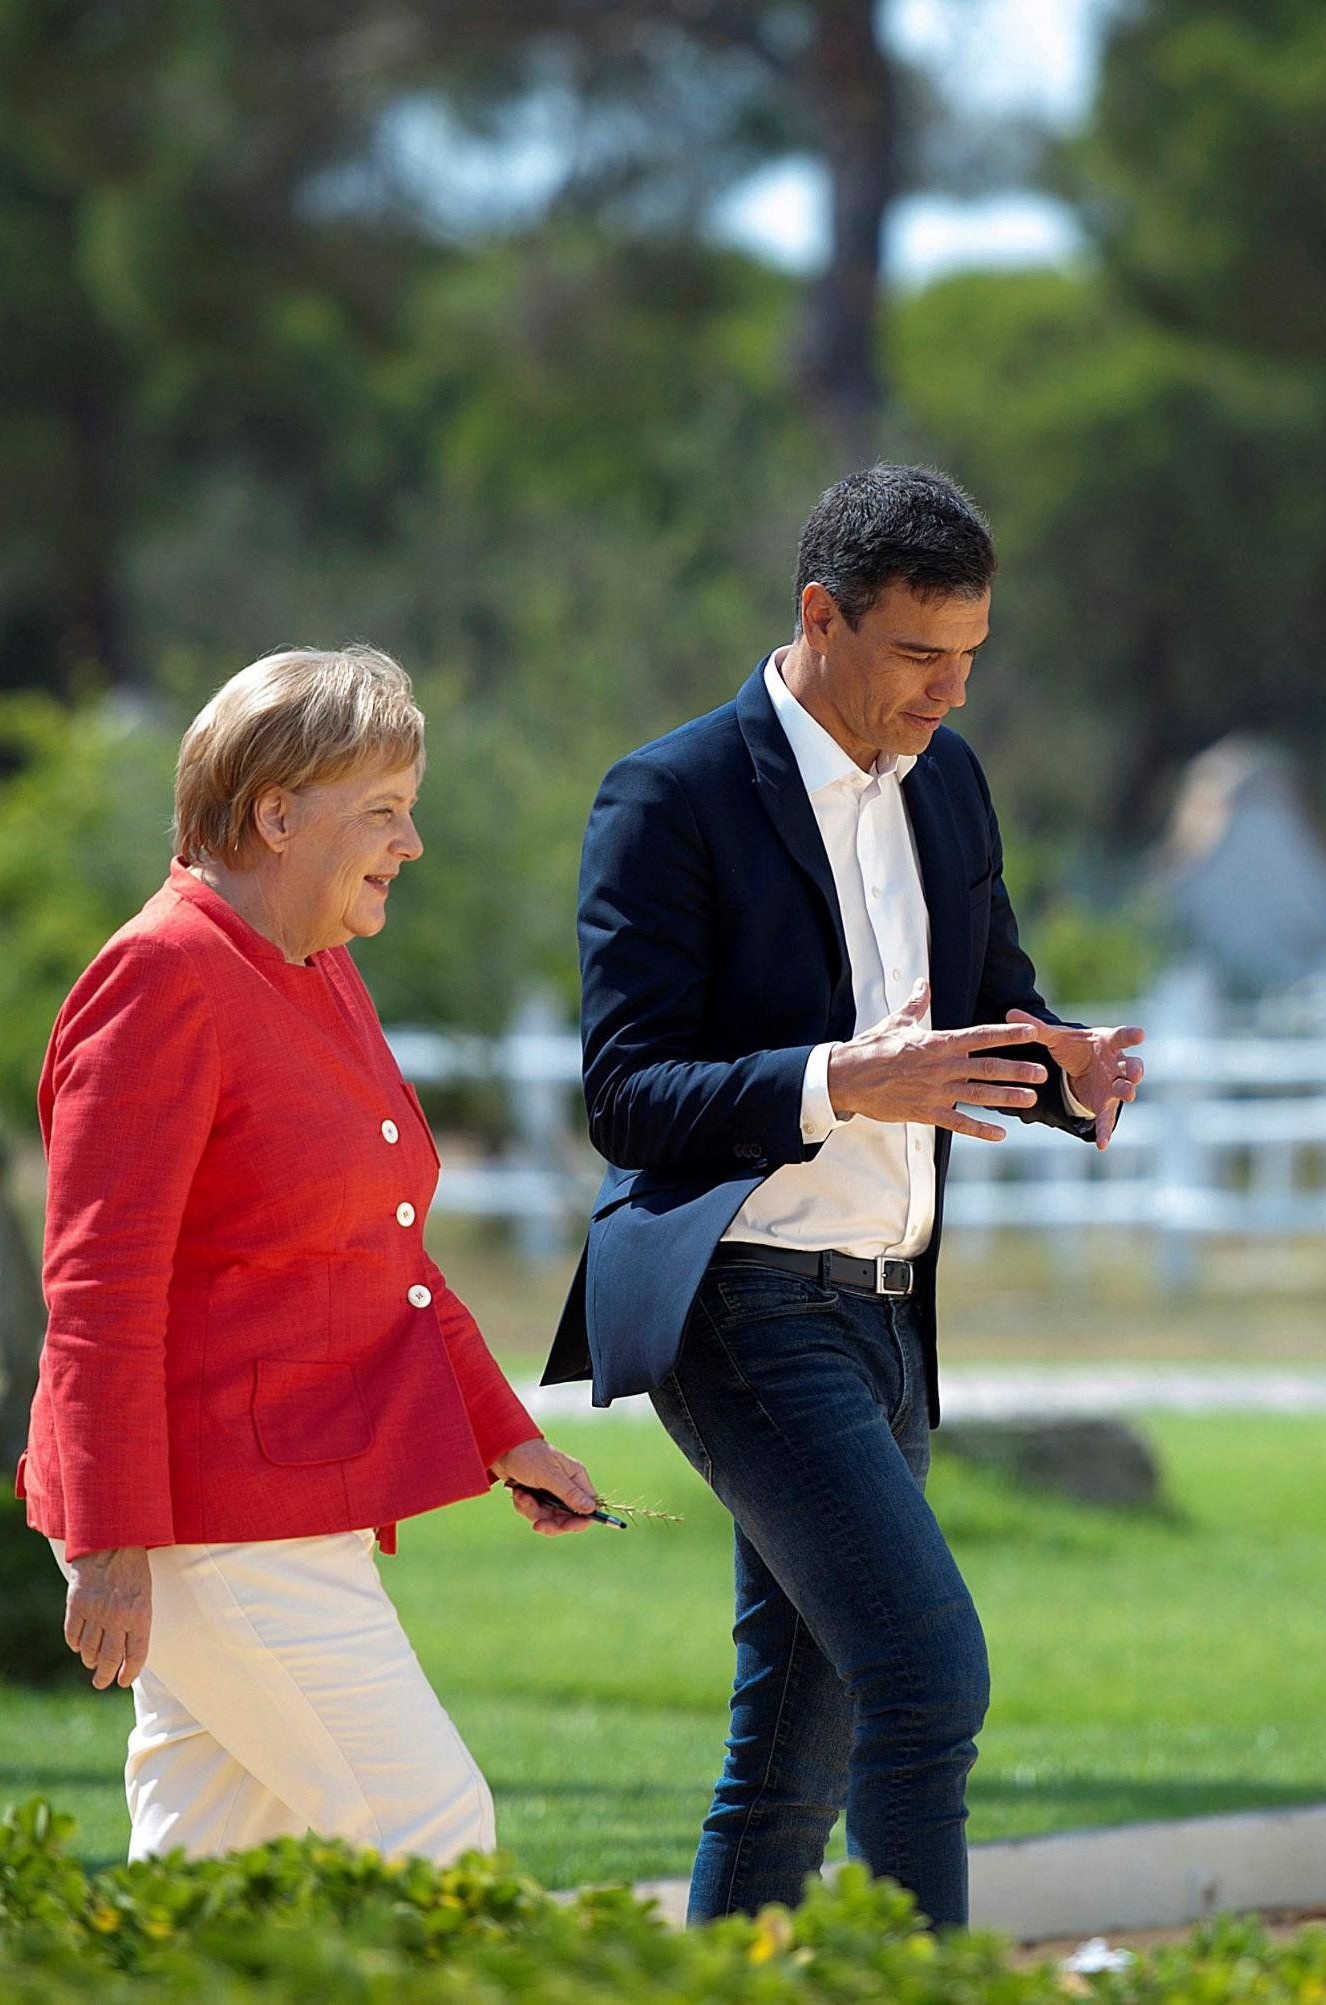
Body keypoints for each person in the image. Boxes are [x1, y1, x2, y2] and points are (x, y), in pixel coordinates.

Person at [544, 466, 1146, 1927]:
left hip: (890, 1315)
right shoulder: (670, 796)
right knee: (927, 1677)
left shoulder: (952, 782)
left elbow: (987, 1005)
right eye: (921, 654)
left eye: (971, 656)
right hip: (740, 1302)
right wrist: (840, 1080)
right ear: (821, 616)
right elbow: (626, 1096)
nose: (952, 691)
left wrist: (1063, 1067)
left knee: (793, 1754)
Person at [20, 643, 602, 1864]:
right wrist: (111, 1542)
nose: (411, 843)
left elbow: (388, 1253)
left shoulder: (317, 965)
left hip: (274, 1506)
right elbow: (98, 1291)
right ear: (276, 815)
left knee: (215, 1887)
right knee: (435, 1831)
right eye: (383, 810)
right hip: (215, 1523)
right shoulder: (162, 975)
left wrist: (507, 1436)